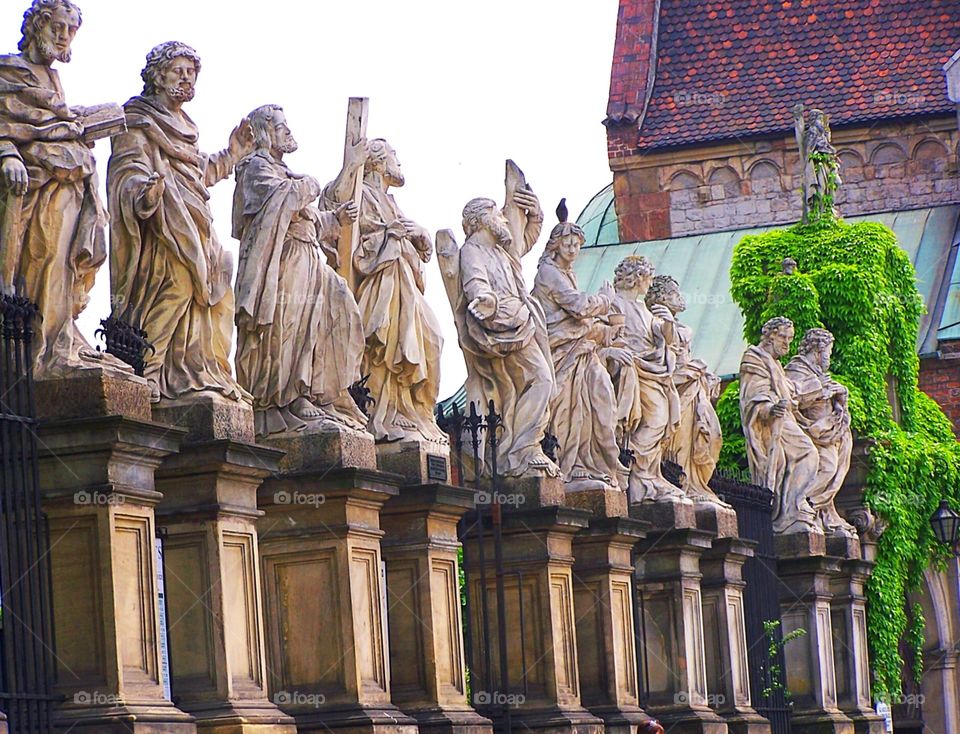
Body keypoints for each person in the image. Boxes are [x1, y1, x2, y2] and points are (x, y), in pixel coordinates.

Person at [108, 41, 255, 402]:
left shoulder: (186, 125)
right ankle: (147, 367)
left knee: (218, 282)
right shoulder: (137, 119)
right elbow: (127, 169)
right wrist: (145, 191)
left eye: (192, 72)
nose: (187, 79)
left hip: (194, 219)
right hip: (162, 223)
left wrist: (232, 153)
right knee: (178, 285)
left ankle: (199, 368)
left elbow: (197, 172)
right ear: (158, 75)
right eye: (179, 71)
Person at [0, 0, 123, 377]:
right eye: (58, 26)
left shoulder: (53, 80)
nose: (64, 36)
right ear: (37, 24)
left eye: (71, 30)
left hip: (67, 184)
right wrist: (7, 155)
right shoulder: (9, 70)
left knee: (63, 263)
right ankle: (43, 349)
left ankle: (58, 337)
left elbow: (50, 124)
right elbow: (6, 123)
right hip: (32, 187)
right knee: (46, 256)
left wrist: (80, 128)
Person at [232, 104, 367, 437]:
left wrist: (336, 219)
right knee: (284, 326)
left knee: (320, 320)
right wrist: (308, 185)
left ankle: (308, 390)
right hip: (281, 261)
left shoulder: (282, 171)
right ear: (265, 132)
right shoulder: (255, 168)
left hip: (308, 257)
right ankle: (279, 399)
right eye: (281, 126)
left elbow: (310, 220)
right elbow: (280, 204)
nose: (287, 131)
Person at [321, 139, 445, 443]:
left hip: (404, 285)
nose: (399, 163)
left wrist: (420, 236)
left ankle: (410, 411)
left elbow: (418, 249)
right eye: (394, 156)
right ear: (376, 162)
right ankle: (383, 412)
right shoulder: (359, 192)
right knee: (386, 342)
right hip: (378, 284)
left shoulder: (391, 201)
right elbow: (334, 208)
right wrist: (352, 164)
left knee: (432, 339)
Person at [449, 195, 560, 478]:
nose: (502, 218)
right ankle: (522, 451)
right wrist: (485, 300)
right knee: (541, 381)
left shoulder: (501, 250)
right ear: (482, 220)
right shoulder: (473, 250)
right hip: (502, 327)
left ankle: (521, 448)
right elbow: (476, 284)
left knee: (536, 384)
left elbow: (525, 238)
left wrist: (535, 215)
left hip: (521, 321)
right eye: (497, 214)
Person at [532, 219, 624, 491]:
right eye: (568, 244)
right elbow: (579, 306)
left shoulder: (566, 271)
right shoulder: (548, 273)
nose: (573, 250)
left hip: (579, 346)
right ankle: (572, 465)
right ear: (555, 245)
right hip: (560, 348)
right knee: (572, 408)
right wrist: (605, 299)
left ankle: (593, 461)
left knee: (600, 399)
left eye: (577, 245)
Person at [605, 256, 682, 502]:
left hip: (651, 371)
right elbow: (607, 336)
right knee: (656, 420)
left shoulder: (643, 309)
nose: (649, 284)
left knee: (660, 420)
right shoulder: (613, 303)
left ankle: (649, 472)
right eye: (647, 278)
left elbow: (663, 336)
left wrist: (668, 322)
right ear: (637, 278)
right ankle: (639, 473)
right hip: (632, 369)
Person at [645, 275, 727, 505]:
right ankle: (685, 482)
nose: (680, 298)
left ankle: (696, 482)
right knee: (680, 437)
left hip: (692, 385)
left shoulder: (681, 326)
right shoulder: (655, 320)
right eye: (674, 294)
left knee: (711, 434)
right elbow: (660, 354)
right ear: (661, 298)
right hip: (674, 386)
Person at [739, 316, 820, 534]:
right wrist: (769, 408)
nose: (787, 343)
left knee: (804, 457)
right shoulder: (754, 359)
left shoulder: (775, 363)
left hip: (784, 420)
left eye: (790, 338)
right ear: (769, 336)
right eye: (783, 337)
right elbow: (752, 396)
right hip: (772, 423)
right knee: (808, 453)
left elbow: (788, 392)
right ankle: (790, 510)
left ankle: (792, 507)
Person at [785, 328, 857, 537]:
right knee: (827, 467)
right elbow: (793, 399)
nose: (829, 358)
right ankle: (801, 504)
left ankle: (814, 509)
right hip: (813, 432)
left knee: (834, 470)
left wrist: (841, 395)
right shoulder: (796, 369)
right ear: (817, 350)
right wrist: (819, 388)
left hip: (829, 432)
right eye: (828, 352)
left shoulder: (818, 373)